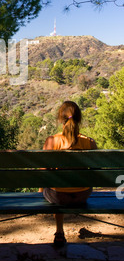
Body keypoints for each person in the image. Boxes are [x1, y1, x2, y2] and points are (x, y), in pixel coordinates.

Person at [40, 101, 98, 247]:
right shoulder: (89, 143)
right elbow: (95, 171)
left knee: (56, 186)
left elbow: (43, 172)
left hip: (58, 196)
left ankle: (59, 231)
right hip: (82, 194)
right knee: (60, 185)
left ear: (61, 118)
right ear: (79, 118)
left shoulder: (52, 141)